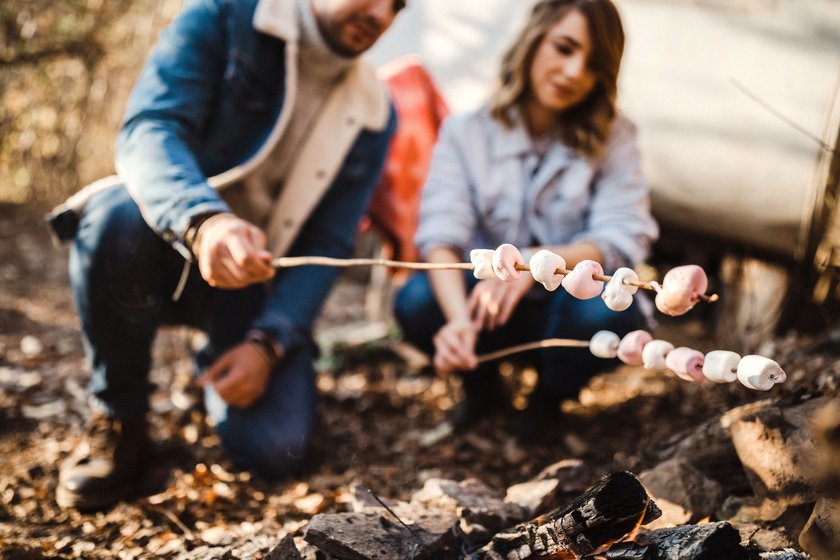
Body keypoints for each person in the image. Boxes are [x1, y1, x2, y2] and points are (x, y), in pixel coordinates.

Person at [47, 0, 402, 510]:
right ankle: (119, 416)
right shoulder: (221, 17)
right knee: (114, 216)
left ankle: (214, 365)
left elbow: (329, 243)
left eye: (399, 5)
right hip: (164, 238)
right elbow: (151, 128)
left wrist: (269, 341)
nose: (382, 13)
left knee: (276, 448)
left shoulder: (376, 112)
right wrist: (202, 220)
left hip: (258, 284)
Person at [394, 0, 658, 435]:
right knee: (417, 300)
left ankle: (548, 400)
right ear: (533, 40)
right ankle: (481, 385)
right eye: (564, 47)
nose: (574, 72)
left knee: (609, 312)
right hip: (484, 311)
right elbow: (442, 236)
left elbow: (622, 237)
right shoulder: (466, 133)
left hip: (564, 316)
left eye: (593, 63)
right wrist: (459, 321)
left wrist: (536, 265)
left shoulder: (616, 137)